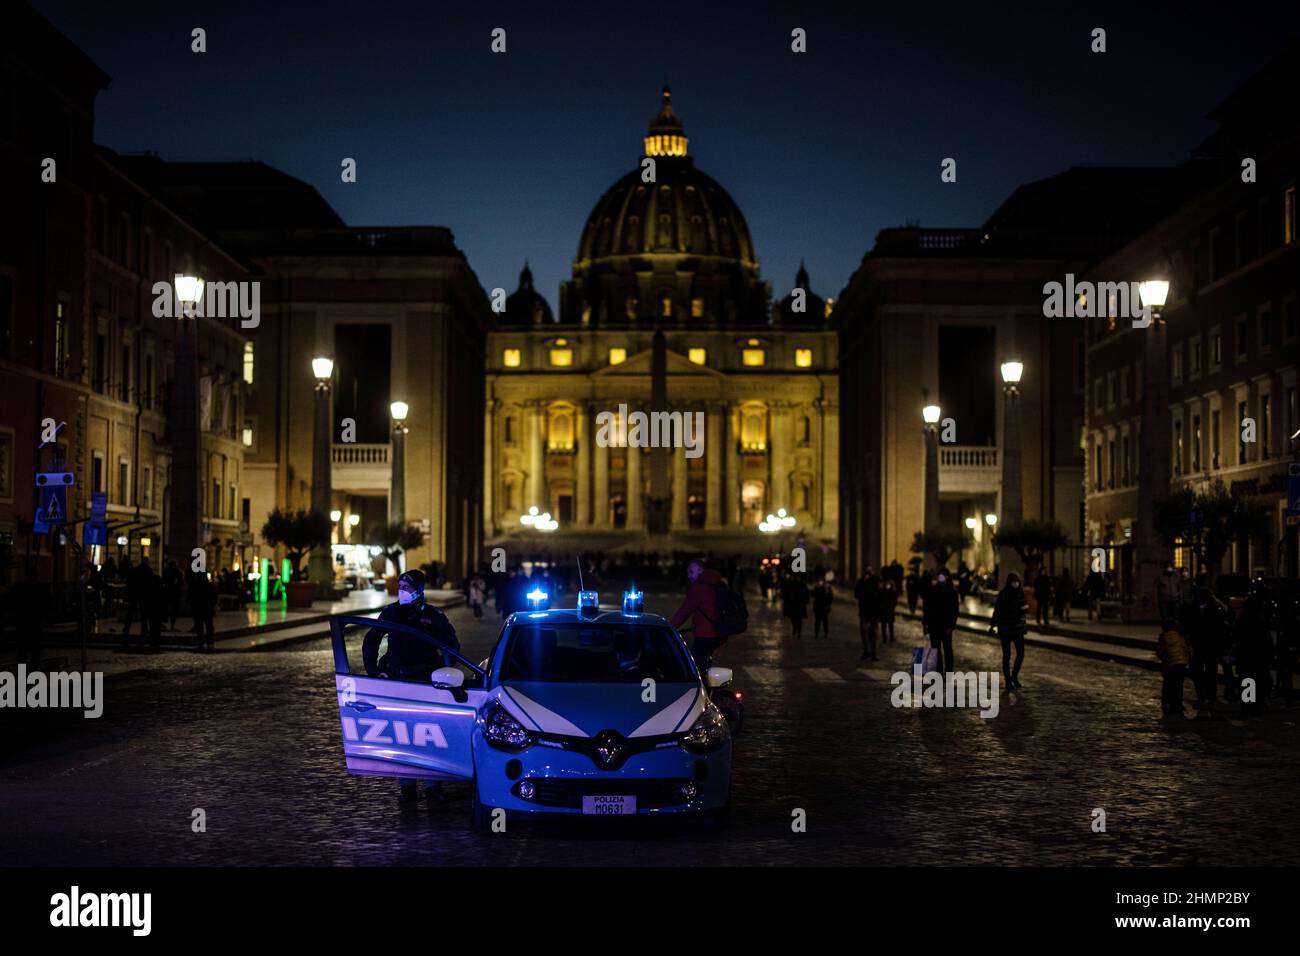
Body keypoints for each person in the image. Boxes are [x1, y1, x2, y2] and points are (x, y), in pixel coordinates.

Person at [363, 569, 461, 803]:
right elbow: (371, 641)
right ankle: (406, 786)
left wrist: (445, 674)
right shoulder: (391, 613)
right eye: (400, 588)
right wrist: (375, 673)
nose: (402, 592)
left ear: (419, 590)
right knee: (403, 735)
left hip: (427, 684)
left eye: (407, 588)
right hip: (398, 683)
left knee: (430, 736)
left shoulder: (434, 616)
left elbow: (452, 646)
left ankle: (432, 786)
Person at [670, 559, 726, 670]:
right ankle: (706, 681)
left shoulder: (698, 588)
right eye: (688, 572)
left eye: (691, 572)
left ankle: (699, 685)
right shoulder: (716, 583)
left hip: (705, 634)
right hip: (719, 631)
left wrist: (669, 627)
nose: (689, 575)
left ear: (700, 571)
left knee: (693, 666)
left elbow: (684, 611)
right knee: (704, 663)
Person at [990, 572, 1028, 690]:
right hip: (1005, 628)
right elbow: (997, 610)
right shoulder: (1004, 594)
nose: (1016, 583)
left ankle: (1014, 677)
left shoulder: (1020, 594)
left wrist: (1024, 609)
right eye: (1014, 581)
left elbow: (1024, 608)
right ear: (1009, 582)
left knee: (1020, 654)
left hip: (1017, 629)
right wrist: (993, 624)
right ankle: (1008, 681)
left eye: (1017, 581)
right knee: (1007, 655)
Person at [922, 570, 959, 673]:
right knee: (936, 650)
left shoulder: (952, 592)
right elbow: (927, 609)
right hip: (934, 626)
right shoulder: (932, 590)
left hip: (946, 626)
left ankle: (948, 673)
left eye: (943, 575)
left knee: (947, 650)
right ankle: (938, 672)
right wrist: (925, 624)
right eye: (940, 575)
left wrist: (951, 626)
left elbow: (954, 611)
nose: (941, 578)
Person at [1156, 618, 1190, 715]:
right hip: (1181, 663)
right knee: (1178, 685)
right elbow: (1185, 649)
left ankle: (1167, 703)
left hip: (1170, 663)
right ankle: (1177, 704)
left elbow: (1160, 651)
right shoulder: (1179, 636)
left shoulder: (1164, 637)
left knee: (1168, 684)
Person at [854, 567, 881, 661]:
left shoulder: (876, 581)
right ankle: (867, 651)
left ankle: (872, 652)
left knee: (872, 633)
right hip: (865, 611)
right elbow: (856, 594)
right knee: (865, 632)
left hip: (873, 611)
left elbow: (880, 595)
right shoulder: (861, 582)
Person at [189, 570, 217, 652]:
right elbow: (214, 598)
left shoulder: (195, 586)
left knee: (199, 627)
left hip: (198, 610)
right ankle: (210, 643)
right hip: (207, 609)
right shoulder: (210, 586)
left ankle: (200, 644)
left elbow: (191, 598)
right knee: (209, 626)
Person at [782, 573, 810, 639]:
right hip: (793, 604)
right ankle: (794, 628)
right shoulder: (791, 584)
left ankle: (799, 631)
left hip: (800, 604)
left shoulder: (802, 585)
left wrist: (805, 601)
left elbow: (806, 593)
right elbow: (787, 593)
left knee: (799, 619)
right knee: (793, 618)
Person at [161, 557, 183, 631]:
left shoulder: (166, 571)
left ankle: (166, 624)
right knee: (173, 610)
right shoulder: (177, 572)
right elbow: (180, 583)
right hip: (174, 594)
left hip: (168, 593)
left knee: (166, 609)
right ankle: (171, 625)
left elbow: (163, 581)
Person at [879, 579, 899, 645]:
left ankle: (889, 638)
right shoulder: (885, 591)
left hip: (888, 610)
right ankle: (888, 638)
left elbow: (895, 601)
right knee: (886, 625)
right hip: (887, 610)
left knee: (888, 625)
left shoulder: (888, 591)